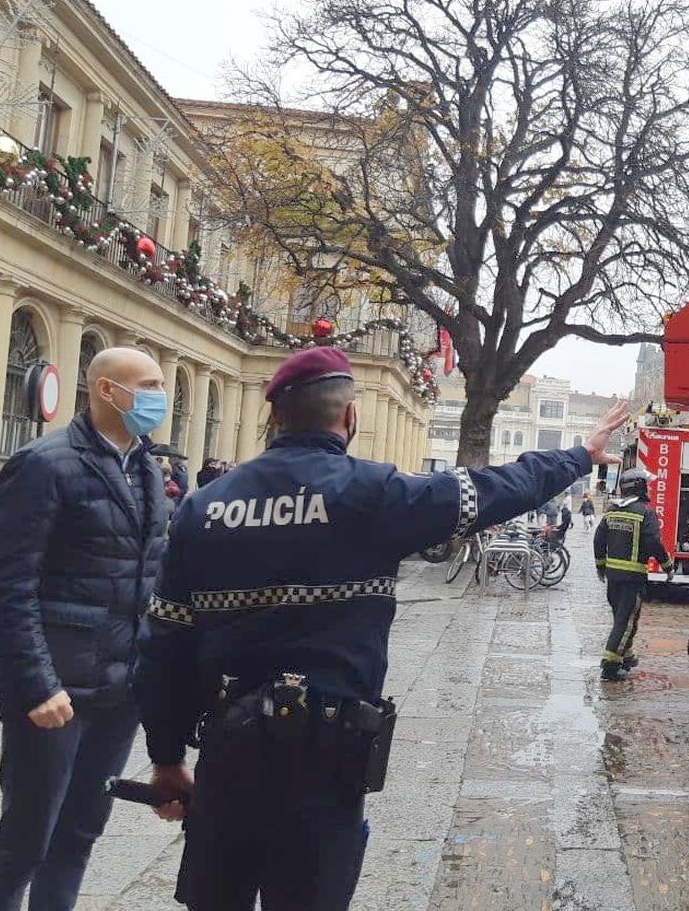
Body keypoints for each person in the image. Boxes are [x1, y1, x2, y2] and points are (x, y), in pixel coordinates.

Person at [134, 347, 627, 910]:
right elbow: (490, 490)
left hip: (231, 749)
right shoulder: (375, 493)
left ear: (275, 419)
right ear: (348, 418)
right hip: (330, 753)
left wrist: (167, 757)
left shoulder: (204, 508)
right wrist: (578, 456)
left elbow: (164, 645)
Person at [0, 348, 169, 910]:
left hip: (118, 688)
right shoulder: (44, 463)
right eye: (150, 385)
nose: (160, 397)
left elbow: (146, 578)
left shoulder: (147, 466)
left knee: (79, 834)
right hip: (56, 692)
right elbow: (9, 587)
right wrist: (37, 683)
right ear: (107, 391)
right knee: (24, 840)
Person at [593, 467, 669, 682]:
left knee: (622, 618)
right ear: (640, 487)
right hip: (633, 578)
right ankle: (610, 663)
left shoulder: (612, 510)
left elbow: (598, 541)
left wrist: (601, 566)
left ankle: (626, 655)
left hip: (613, 577)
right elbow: (653, 542)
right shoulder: (645, 512)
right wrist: (667, 564)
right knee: (625, 622)